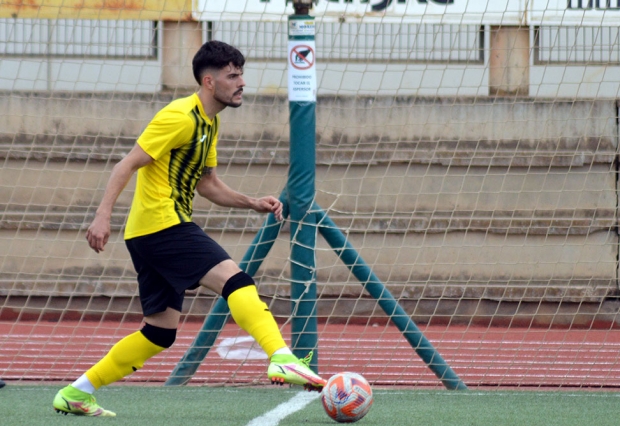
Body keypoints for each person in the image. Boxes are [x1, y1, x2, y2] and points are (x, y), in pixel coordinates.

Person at [52, 40, 326, 417]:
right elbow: (126, 164)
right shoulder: (179, 116)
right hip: (163, 226)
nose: (241, 82)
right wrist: (102, 215)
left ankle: (76, 392)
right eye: (233, 75)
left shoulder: (208, 123)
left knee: (159, 333)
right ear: (210, 82)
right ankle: (281, 355)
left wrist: (251, 202)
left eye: (242, 73)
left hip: (149, 234)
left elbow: (207, 183)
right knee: (237, 281)